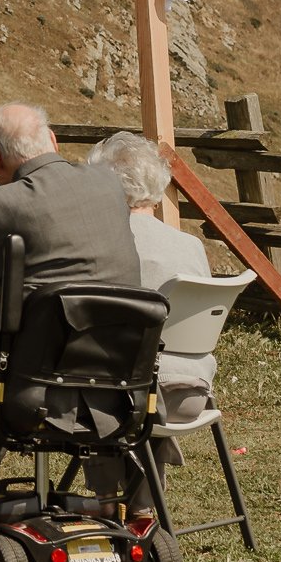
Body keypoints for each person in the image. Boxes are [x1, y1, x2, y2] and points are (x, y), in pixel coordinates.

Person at [0, 102, 141, 491]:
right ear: (52, 140)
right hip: (119, 375)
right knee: (16, 334)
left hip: (33, 381)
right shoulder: (109, 185)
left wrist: (0, 294)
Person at [85, 131, 219, 516]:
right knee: (144, 372)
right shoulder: (190, 246)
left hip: (128, 401)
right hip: (191, 392)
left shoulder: (106, 246)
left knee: (94, 376)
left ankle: (108, 502)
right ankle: (143, 504)